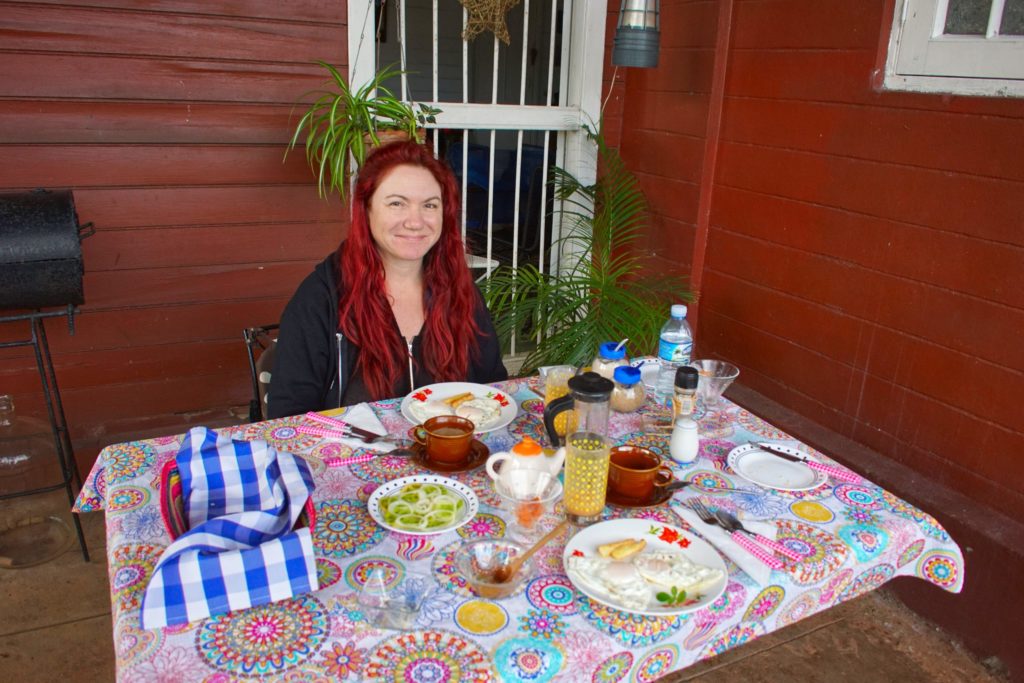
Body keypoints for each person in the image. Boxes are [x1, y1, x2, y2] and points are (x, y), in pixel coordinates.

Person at [267, 140, 508, 418]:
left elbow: (493, 387)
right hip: (352, 458)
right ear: (366, 209)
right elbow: (287, 417)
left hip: (453, 455)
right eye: (397, 203)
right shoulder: (322, 298)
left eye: (430, 205)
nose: (415, 221)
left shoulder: (460, 290)